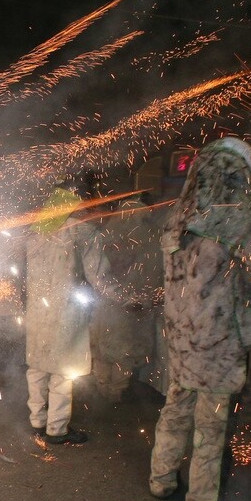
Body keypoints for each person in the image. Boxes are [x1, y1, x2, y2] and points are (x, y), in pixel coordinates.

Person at [148, 137, 251, 501]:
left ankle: (161, 479)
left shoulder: (179, 215)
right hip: (218, 343)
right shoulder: (239, 217)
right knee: (211, 426)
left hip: (181, 335)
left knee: (175, 409)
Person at [24, 181, 112, 444]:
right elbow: (99, 276)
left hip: (38, 310)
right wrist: (124, 299)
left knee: (37, 367)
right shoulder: (82, 232)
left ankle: (37, 420)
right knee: (62, 370)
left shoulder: (35, 232)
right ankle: (57, 428)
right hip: (66, 311)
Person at [90, 191, 165, 405]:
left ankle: (102, 392)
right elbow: (155, 271)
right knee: (125, 353)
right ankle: (117, 395)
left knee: (103, 350)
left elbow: (97, 270)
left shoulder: (106, 231)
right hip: (135, 305)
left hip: (107, 303)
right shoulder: (152, 234)